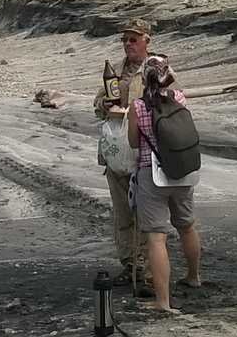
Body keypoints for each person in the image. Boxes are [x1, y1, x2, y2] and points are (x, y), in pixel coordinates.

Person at [127, 54, 202, 313]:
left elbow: (134, 143)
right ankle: (193, 276)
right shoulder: (179, 98)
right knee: (187, 226)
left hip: (152, 175)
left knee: (157, 239)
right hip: (182, 171)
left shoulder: (138, 106)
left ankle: (163, 301)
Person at [92, 19, 152, 288]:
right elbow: (97, 104)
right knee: (122, 214)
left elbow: (172, 101)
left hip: (144, 153)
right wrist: (104, 103)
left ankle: (149, 270)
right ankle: (130, 265)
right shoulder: (114, 70)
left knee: (146, 214)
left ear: (146, 40)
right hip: (115, 153)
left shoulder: (156, 69)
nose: (128, 44)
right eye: (124, 40)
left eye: (133, 39)